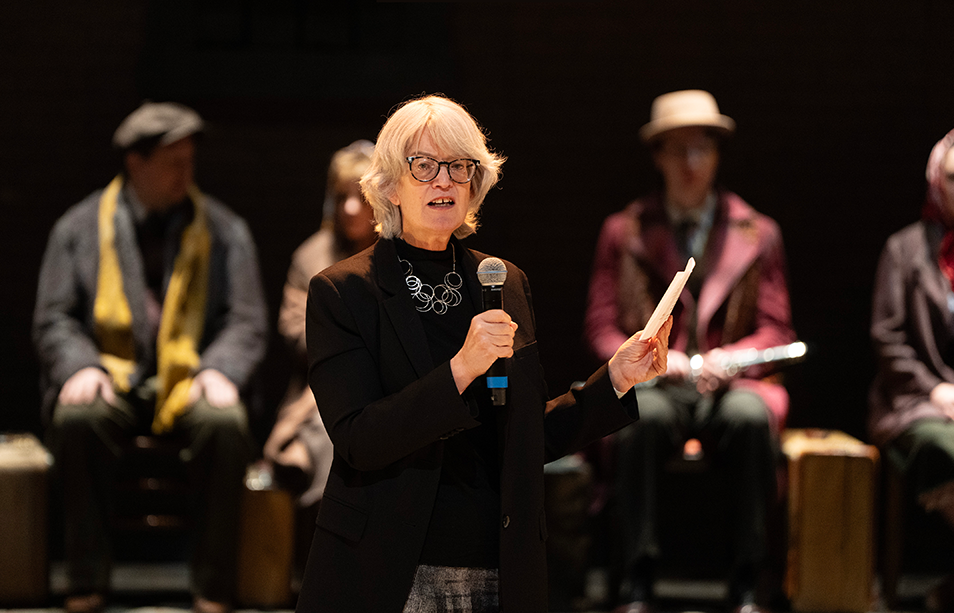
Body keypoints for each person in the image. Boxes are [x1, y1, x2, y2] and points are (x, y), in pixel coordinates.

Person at [294, 94, 672, 613]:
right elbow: (360, 439)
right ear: (388, 185)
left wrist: (616, 380)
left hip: (500, 565)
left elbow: (525, 438)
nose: (444, 181)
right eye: (424, 166)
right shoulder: (343, 292)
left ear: (477, 184)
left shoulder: (503, 281)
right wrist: (460, 369)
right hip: (391, 569)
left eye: (460, 167)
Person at [33, 102, 268, 613]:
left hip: (191, 377)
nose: (186, 173)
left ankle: (212, 587)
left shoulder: (224, 231)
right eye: (172, 162)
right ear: (135, 163)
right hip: (112, 375)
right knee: (78, 417)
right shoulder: (78, 228)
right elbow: (54, 318)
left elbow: (246, 319)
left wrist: (219, 369)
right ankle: (86, 578)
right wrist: (81, 365)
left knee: (225, 424)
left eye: (190, 161)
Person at [584, 90, 795, 613]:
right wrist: (643, 357)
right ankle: (636, 579)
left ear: (718, 155)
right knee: (639, 420)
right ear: (657, 156)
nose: (690, 163)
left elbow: (775, 327)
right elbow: (600, 325)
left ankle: (749, 581)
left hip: (731, 383)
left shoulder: (759, 233)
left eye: (701, 149)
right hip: (658, 382)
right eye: (678, 150)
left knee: (750, 419)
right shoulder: (623, 230)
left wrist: (732, 358)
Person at [869, 124, 954, 612]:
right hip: (920, 403)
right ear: (936, 181)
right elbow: (887, 337)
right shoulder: (904, 249)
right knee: (938, 444)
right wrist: (935, 390)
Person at [266, 140, 376, 507]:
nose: (349, 208)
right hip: (322, 390)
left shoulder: (400, 253)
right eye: (341, 196)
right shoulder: (312, 257)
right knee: (332, 432)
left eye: (360, 197)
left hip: (389, 388)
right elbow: (296, 332)